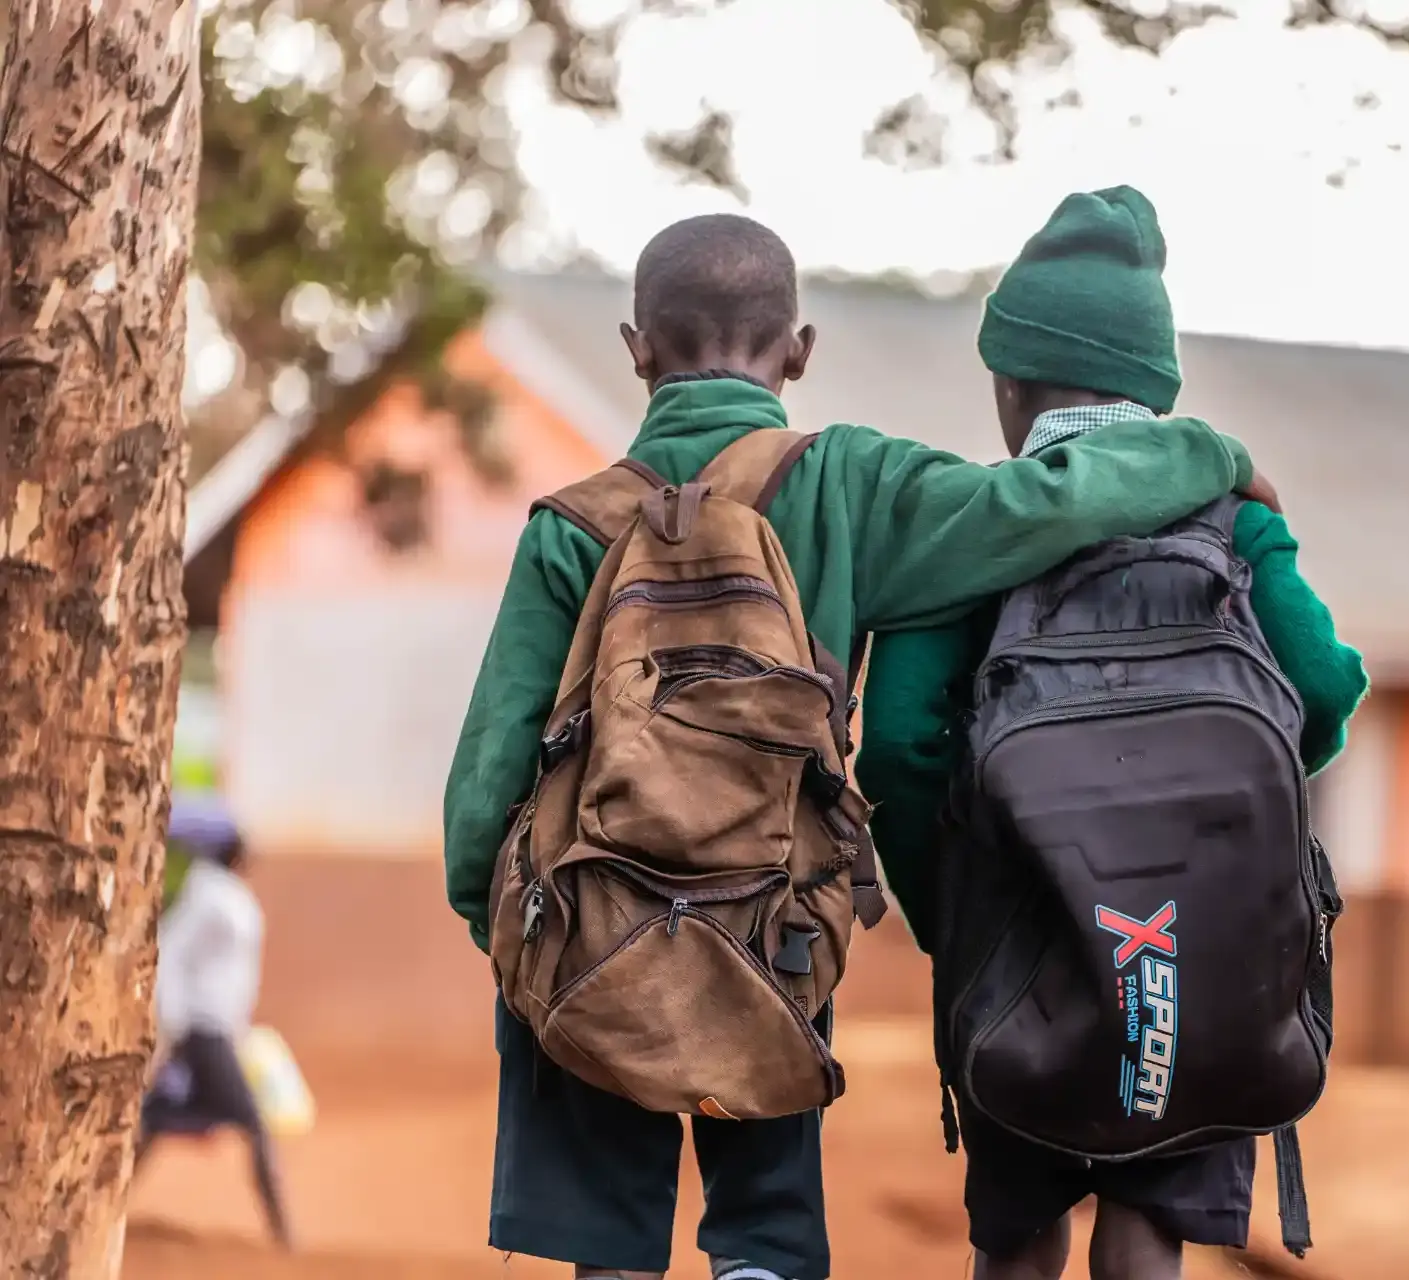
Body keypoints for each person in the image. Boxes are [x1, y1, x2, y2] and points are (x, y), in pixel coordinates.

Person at [442, 212, 1284, 1280]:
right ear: (798, 350)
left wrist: (510, 929)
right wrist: (1208, 450)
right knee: (763, 1226)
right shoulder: (853, 485)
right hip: (774, 926)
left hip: (587, 919)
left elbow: (486, 780)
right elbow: (1041, 500)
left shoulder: (569, 526)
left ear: (637, 348)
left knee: (610, 1239)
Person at [854, 186, 1370, 1280]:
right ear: (1154, 383)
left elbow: (898, 742)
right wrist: (1218, 825)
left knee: (1019, 1243)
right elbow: (1320, 689)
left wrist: (957, 914)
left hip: (1017, 936)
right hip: (1205, 951)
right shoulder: (1238, 521)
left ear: (1009, 382)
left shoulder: (971, 529)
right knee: (1148, 1238)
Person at [136, 794, 293, 1251]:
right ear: (229, 851)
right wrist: (175, 1025)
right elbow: (173, 955)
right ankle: (285, 1236)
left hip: (217, 1029)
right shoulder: (208, 895)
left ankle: (102, 1201)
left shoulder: (223, 893)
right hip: (202, 1031)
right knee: (254, 1124)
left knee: (156, 1122)